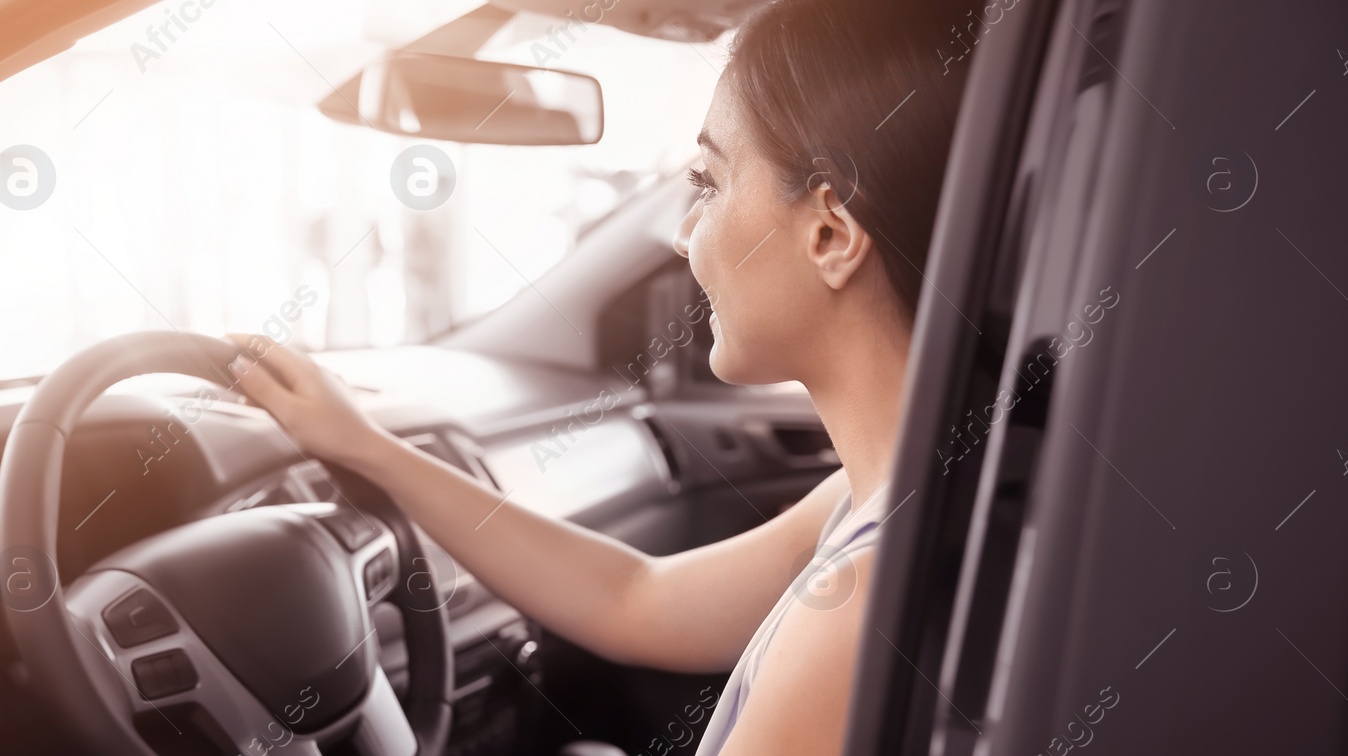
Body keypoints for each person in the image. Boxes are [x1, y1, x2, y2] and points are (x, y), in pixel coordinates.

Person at [226, 0, 974, 751]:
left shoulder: (857, 607)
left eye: (707, 182)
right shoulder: (897, 490)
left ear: (829, 234)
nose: (683, 236)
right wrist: (369, 449)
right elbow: (634, 601)